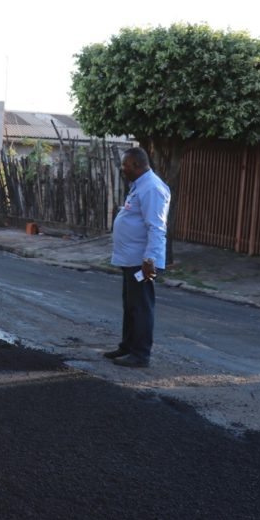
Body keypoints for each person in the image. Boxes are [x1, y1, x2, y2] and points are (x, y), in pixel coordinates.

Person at [104, 147, 170, 368]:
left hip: (143, 262)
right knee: (130, 305)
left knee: (141, 307)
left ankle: (140, 354)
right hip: (130, 260)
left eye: (125, 165)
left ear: (136, 165)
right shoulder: (139, 186)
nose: (122, 169)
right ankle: (127, 346)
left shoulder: (152, 188)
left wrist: (149, 262)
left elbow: (157, 228)